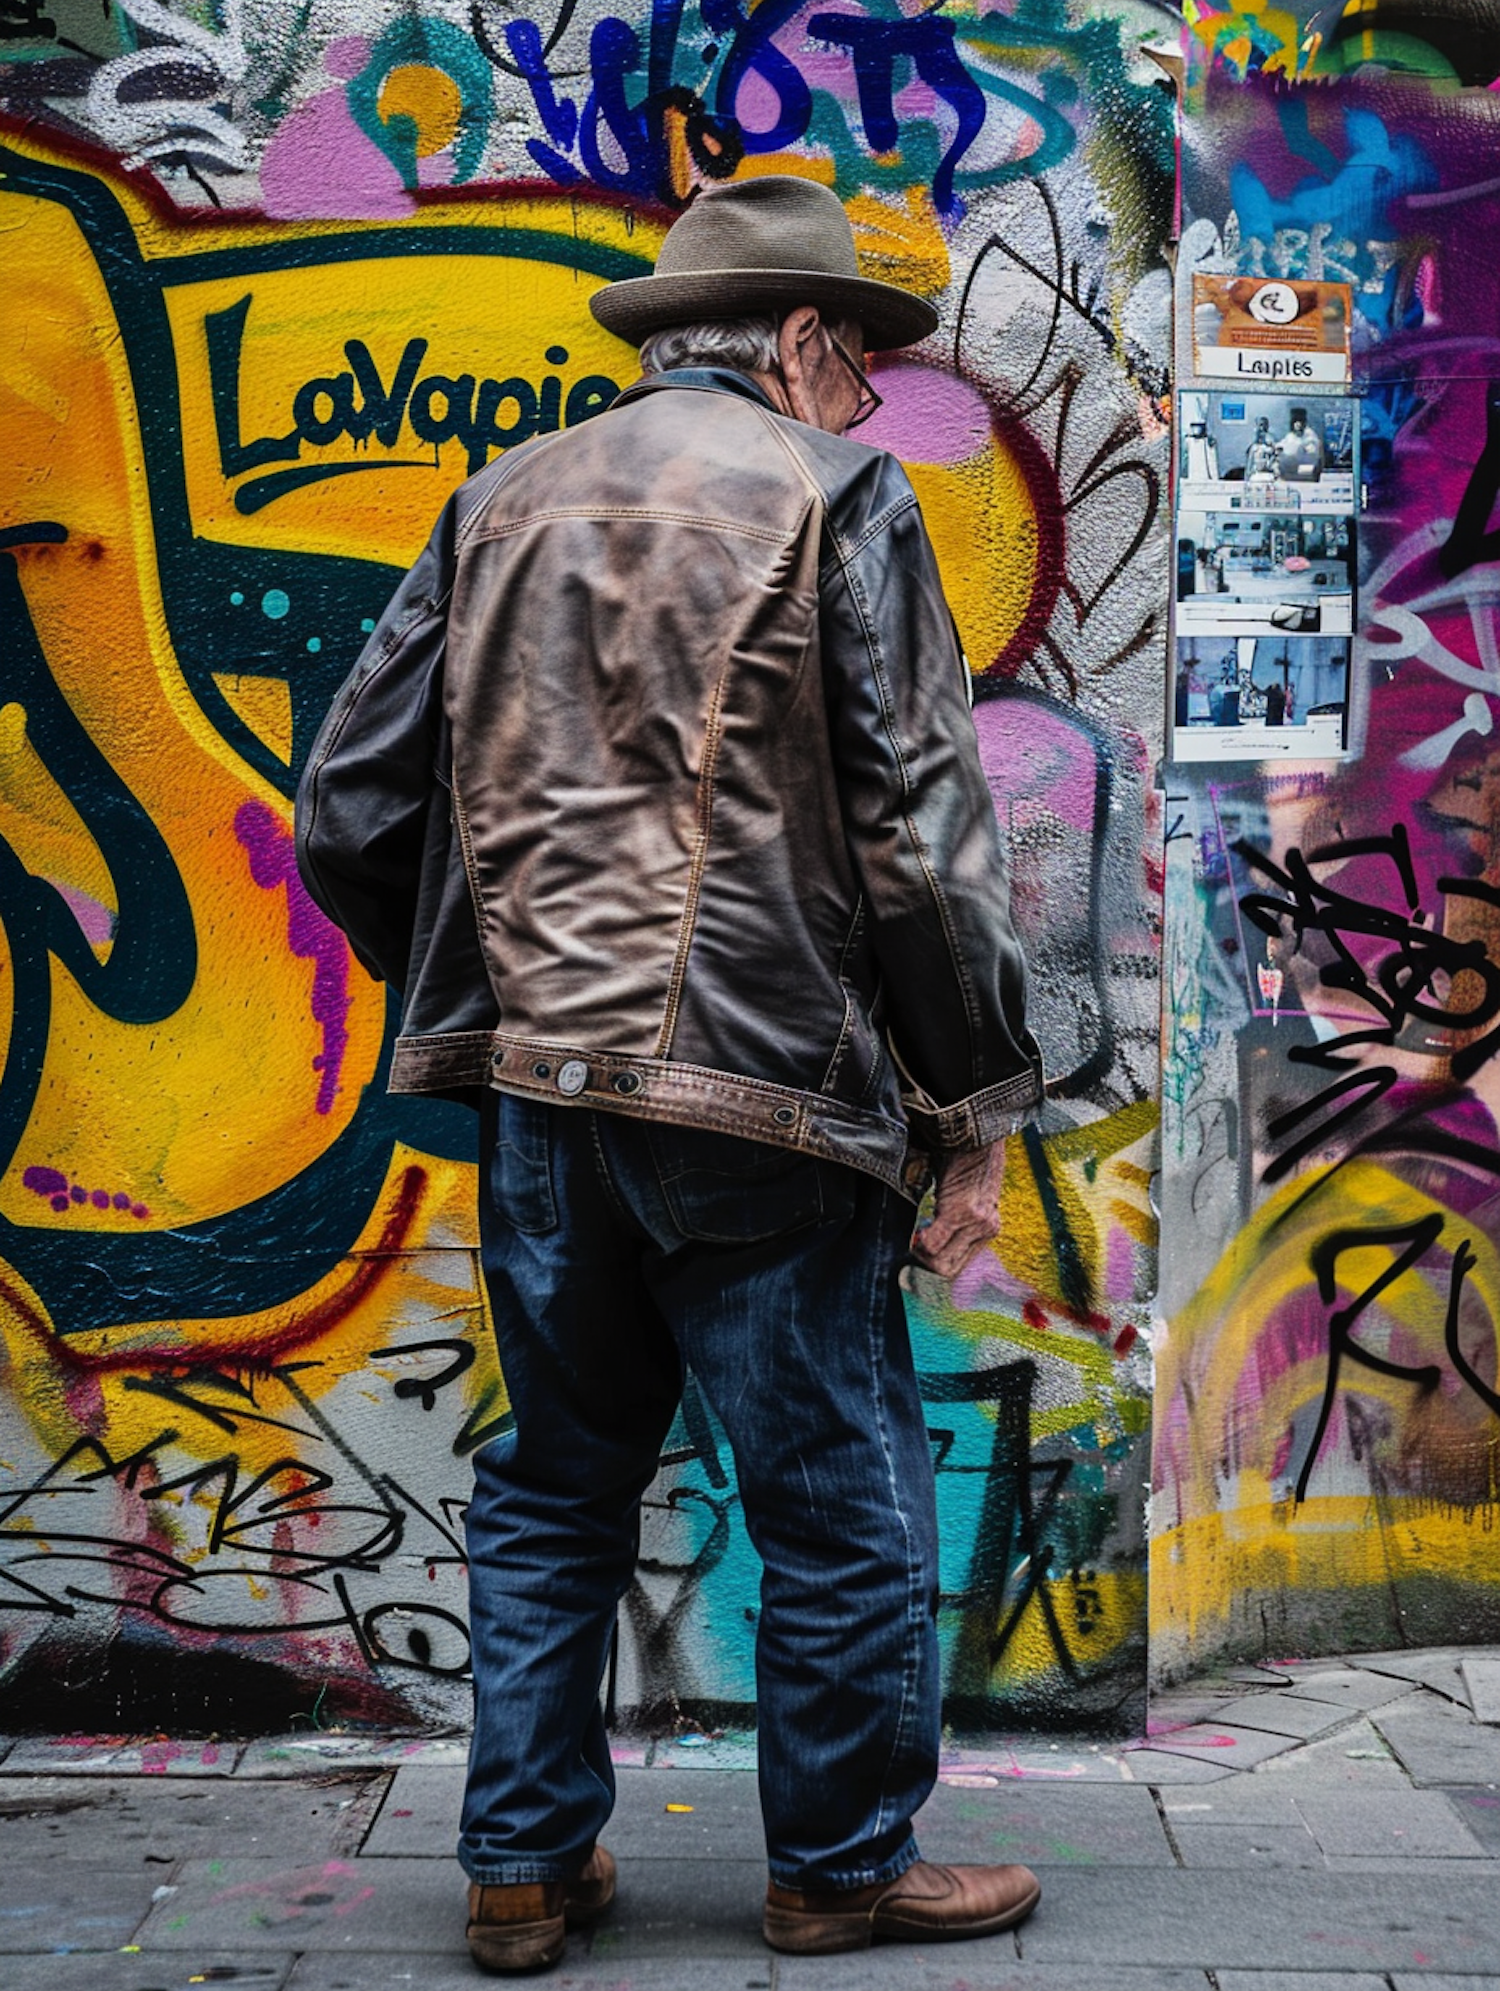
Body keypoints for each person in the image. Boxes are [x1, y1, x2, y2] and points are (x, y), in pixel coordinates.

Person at [295, 174, 1044, 1975]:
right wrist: (976, 1102)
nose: (866, 404)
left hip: (541, 1094)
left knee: (556, 1482)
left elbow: (350, 808)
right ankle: (842, 1865)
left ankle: (522, 1867)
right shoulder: (839, 492)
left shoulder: (498, 500)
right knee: (839, 1495)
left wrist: (487, 974)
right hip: (769, 1100)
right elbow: (926, 849)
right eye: (858, 364)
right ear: (799, 339)